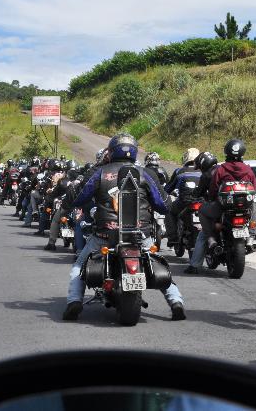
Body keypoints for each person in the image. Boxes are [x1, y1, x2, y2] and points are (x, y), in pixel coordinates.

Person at [62, 133, 186, 321]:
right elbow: (163, 205)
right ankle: (176, 302)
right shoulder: (146, 174)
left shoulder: (100, 173)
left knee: (78, 267)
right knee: (155, 262)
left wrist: (73, 191)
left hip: (105, 234)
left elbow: (79, 198)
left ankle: (74, 302)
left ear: (111, 152)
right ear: (135, 152)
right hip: (140, 234)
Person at [197, 139, 256, 251]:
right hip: (244, 208)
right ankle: (251, 237)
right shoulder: (248, 170)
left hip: (223, 207)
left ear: (226, 152)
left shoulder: (221, 169)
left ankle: (211, 238)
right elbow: (254, 188)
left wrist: (212, 200)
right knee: (254, 207)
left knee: (202, 210)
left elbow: (213, 188)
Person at [185, 152, 219, 274]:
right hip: (236, 209)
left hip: (218, 208)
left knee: (203, 234)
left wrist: (194, 194)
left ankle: (194, 265)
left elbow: (199, 192)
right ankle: (250, 237)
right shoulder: (224, 169)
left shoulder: (206, 175)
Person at [164, 148, 201, 247]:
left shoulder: (179, 171)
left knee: (169, 211)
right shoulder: (204, 171)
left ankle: (173, 238)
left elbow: (168, 188)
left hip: (185, 202)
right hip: (202, 202)